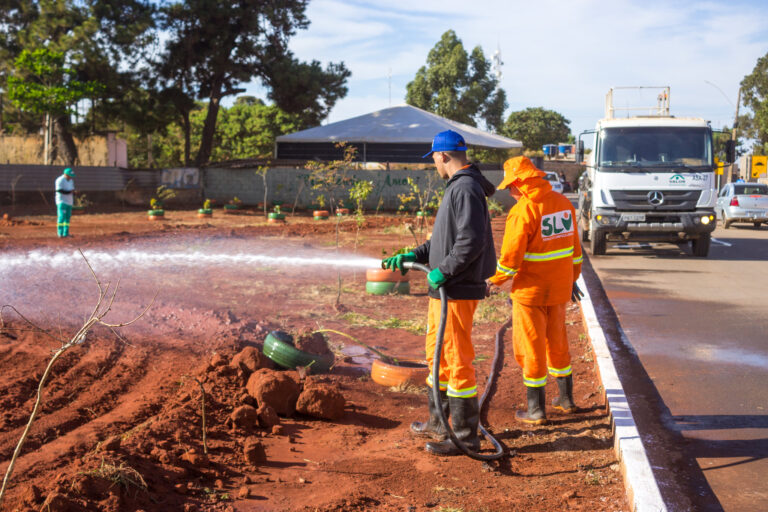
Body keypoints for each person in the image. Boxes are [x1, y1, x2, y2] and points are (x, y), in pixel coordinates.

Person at [382, 129, 496, 456]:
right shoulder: (457, 188)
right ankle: (438, 422)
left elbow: (471, 242)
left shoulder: (465, 188)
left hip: (456, 290)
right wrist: (412, 255)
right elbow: (441, 241)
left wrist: (443, 270)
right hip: (445, 290)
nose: (433, 162)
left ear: (443, 155)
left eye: (433, 156)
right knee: (437, 355)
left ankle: (464, 436)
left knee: (457, 359)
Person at [486, 156, 583, 425]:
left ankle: (536, 409)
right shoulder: (563, 204)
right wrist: (572, 279)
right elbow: (575, 250)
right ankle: (566, 399)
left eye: (510, 187)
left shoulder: (523, 211)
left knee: (531, 346)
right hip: (560, 288)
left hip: (531, 292)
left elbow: (510, 259)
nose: (509, 192)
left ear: (520, 183)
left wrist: (494, 280)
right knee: (558, 341)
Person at [54, 167, 75, 238]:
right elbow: (59, 190)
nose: (70, 177)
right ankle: (60, 233)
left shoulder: (71, 181)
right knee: (61, 217)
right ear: (65, 174)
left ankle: (66, 233)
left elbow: (71, 190)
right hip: (61, 201)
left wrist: (74, 192)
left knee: (67, 218)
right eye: (69, 175)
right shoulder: (59, 180)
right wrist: (69, 192)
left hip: (69, 201)